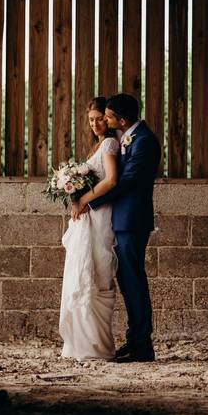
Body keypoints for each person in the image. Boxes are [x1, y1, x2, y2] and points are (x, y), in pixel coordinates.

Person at [71, 93, 160, 363]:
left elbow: (126, 181)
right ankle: (134, 341)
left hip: (131, 221)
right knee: (127, 281)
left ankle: (142, 345)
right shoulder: (125, 138)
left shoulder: (143, 141)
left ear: (121, 119)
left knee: (134, 282)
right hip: (120, 221)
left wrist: (89, 199)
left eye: (108, 117)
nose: (105, 121)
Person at [58, 97, 120, 361]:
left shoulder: (109, 143)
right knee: (84, 271)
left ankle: (98, 345)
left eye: (99, 118)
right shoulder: (97, 144)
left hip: (100, 215)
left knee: (96, 271)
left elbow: (111, 180)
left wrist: (82, 198)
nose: (95, 124)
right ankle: (81, 344)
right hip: (90, 216)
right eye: (91, 120)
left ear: (108, 118)